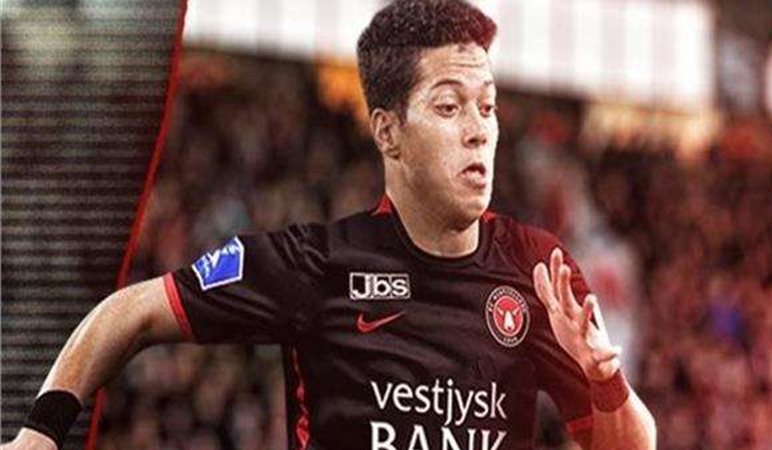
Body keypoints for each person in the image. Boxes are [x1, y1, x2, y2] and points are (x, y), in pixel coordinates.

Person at [2, 1, 656, 449]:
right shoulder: (316, 265)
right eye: (449, 107)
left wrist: (604, 379)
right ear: (388, 132)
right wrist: (41, 430)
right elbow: (133, 312)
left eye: (487, 107)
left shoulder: (537, 272)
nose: (479, 129)